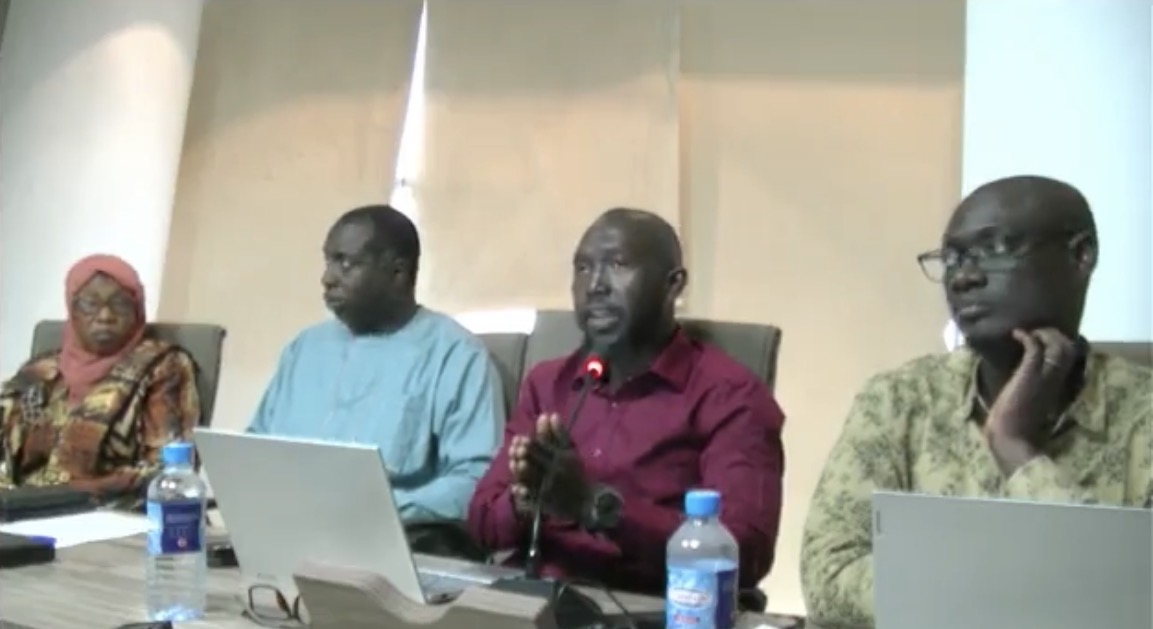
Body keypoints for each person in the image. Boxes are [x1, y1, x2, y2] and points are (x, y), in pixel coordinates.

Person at [800, 175, 1153, 627]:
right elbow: (829, 577)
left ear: (1080, 255)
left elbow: (1128, 603)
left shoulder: (1142, 415)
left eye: (996, 249)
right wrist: (1007, 599)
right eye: (952, 258)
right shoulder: (898, 399)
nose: (964, 277)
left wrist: (1015, 448)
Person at [467, 208, 786, 595]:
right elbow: (481, 522)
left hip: (652, 608)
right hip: (534, 600)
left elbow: (744, 552)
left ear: (673, 285)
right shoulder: (549, 383)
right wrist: (526, 501)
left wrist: (595, 505)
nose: (594, 285)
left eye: (617, 265)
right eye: (583, 268)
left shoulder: (730, 395)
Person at [248, 205, 505, 522]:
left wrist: (378, 511)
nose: (327, 279)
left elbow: (477, 482)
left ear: (398, 273)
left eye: (346, 263)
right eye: (328, 262)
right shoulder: (305, 349)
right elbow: (254, 450)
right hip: (281, 526)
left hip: (391, 536)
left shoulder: (456, 356)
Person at [0, 254, 201, 506]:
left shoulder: (162, 367)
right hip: (20, 508)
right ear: (72, 310)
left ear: (137, 310)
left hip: (109, 513)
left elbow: (168, 472)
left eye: (120, 304)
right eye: (90, 304)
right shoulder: (40, 370)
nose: (105, 315)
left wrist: (64, 494)